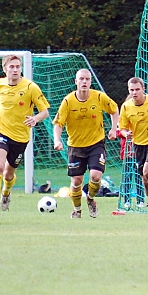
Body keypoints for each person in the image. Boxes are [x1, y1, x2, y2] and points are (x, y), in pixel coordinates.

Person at [0, 54, 50, 223]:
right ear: (5, 69)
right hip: (0, 131)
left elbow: (45, 112)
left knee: (9, 174)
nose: (15, 70)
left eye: (18, 66)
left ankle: (6, 192)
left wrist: (35, 119)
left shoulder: (31, 87)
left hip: (20, 137)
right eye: (12, 66)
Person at [53, 69, 119, 219]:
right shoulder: (68, 101)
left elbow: (114, 110)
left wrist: (114, 129)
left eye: (87, 79)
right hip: (75, 146)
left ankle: (90, 198)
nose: (84, 82)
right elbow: (58, 123)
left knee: (95, 176)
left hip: (96, 144)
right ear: (76, 81)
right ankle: (77, 210)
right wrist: (57, 140)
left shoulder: (99, 97)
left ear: (90, 81)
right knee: (76, 181)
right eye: (81, 79)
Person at [118, 77, 148, 219]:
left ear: (143, 89)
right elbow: (122, 128)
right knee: (145, 180)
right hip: (138, 145)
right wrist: (126, 134)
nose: (134, 92)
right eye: (131, 90)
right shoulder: (126, 107)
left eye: (137, 89)